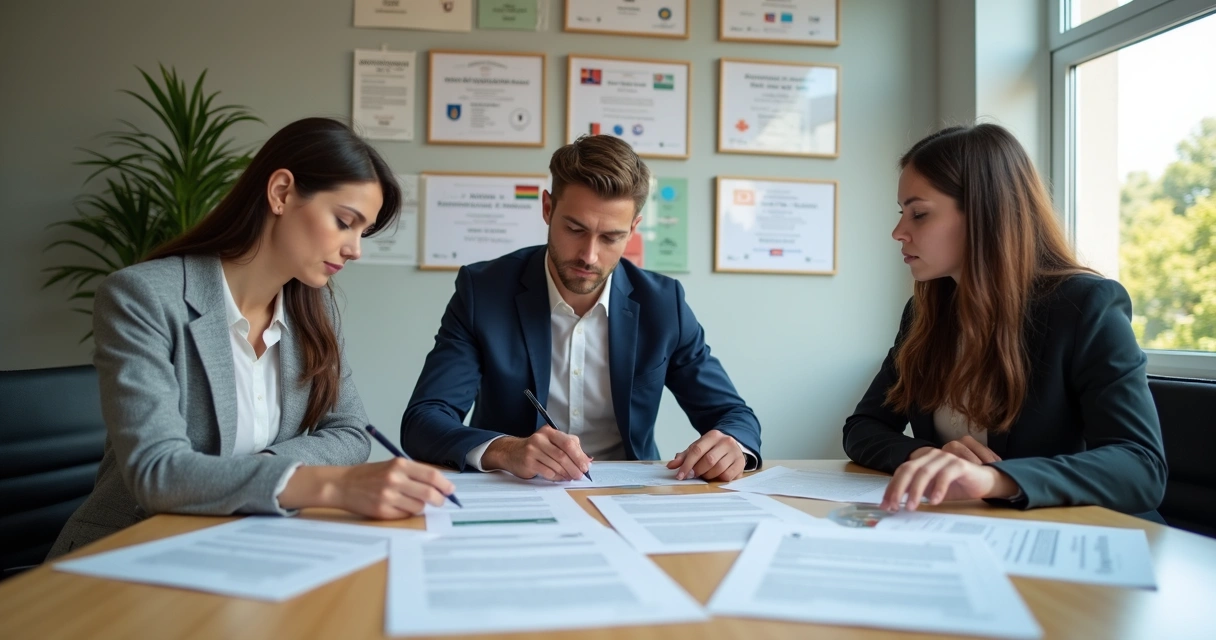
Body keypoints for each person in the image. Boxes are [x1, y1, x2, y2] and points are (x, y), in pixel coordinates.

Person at [49, 118, 454, 558]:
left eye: (363, 232)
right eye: (344, 222)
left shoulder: (313, 314)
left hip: (247, 548)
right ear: (281, 193)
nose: (356, 248)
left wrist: (263, 471)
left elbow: (350, 431)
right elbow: (157, 472)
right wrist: (328, 483)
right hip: (129, 554)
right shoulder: (143, 297)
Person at [843, 123, 1167, 519]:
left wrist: (996, 479)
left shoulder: (1085, 306)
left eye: (919, 214)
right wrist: (932, 457)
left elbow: (1141, 467)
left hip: (1074, 539)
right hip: (966, 529)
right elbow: (862, 428)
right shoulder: (924, 316)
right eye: (902, 214)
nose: (898, 232)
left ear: (985, 214)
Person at [402, 135, 761, 482]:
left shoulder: (663, 304)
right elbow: (424, 419)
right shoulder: (484, 291)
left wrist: (733, 447)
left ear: (633, 228)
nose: (589, 256)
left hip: (628, 496)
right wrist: (506, 450)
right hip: (518, 489)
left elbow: (732, 415)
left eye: (610, 237)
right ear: (547, 208)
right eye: (575, 229)